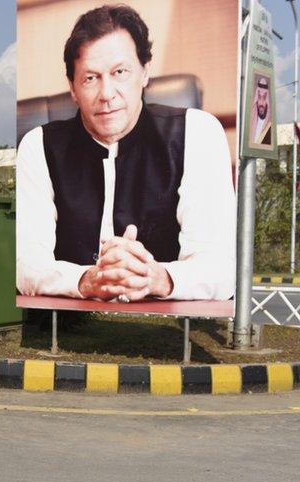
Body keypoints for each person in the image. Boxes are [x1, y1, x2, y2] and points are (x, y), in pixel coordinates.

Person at [16, 4, 236, 302]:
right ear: (72, 87)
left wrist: (159, 278)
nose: (107, 94)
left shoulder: (198, 132)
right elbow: (24, 266)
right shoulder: (38, 146)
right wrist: (86, 280)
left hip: (168, 330)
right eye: (90, 78)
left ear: (145, 72)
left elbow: (221, 269)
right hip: (67, 327)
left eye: (120, 72)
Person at [251, 74, 272, 146]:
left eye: (264, 98)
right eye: (259, 97)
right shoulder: (251, 122)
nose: (261, 103)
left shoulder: (270, 126)